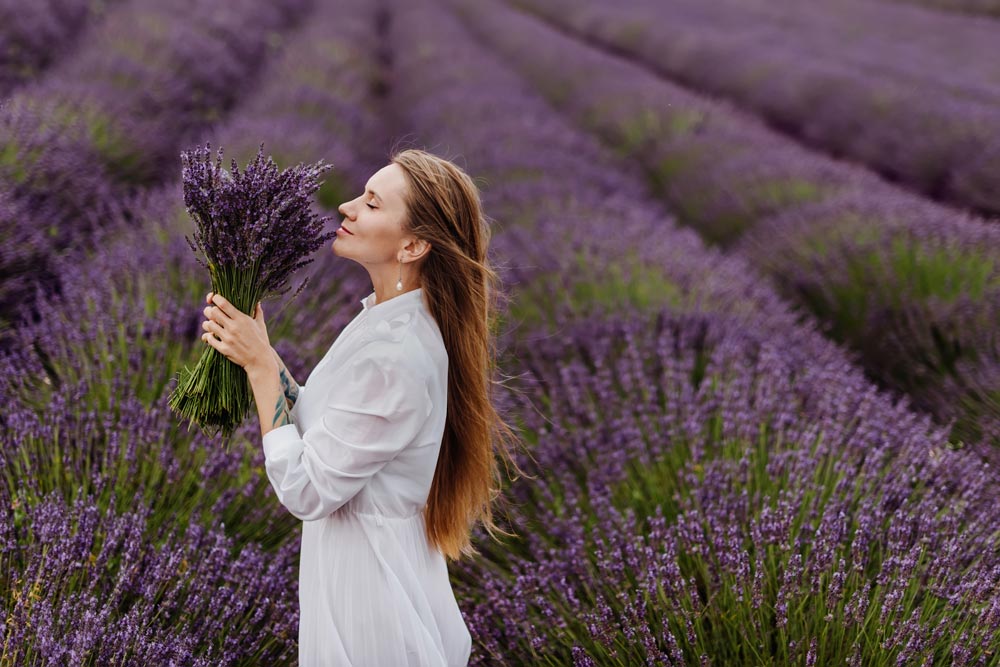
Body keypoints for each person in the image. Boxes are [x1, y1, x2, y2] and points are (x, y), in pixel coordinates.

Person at [197, 148, 525, 666]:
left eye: (372, 204)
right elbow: (327, 429)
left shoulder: (395, 353)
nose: (347, 207)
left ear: (413, 244)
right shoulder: (387, 323)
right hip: (362, 581)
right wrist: (260, 348)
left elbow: (306, 490)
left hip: (370, 608)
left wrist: (260, 367)